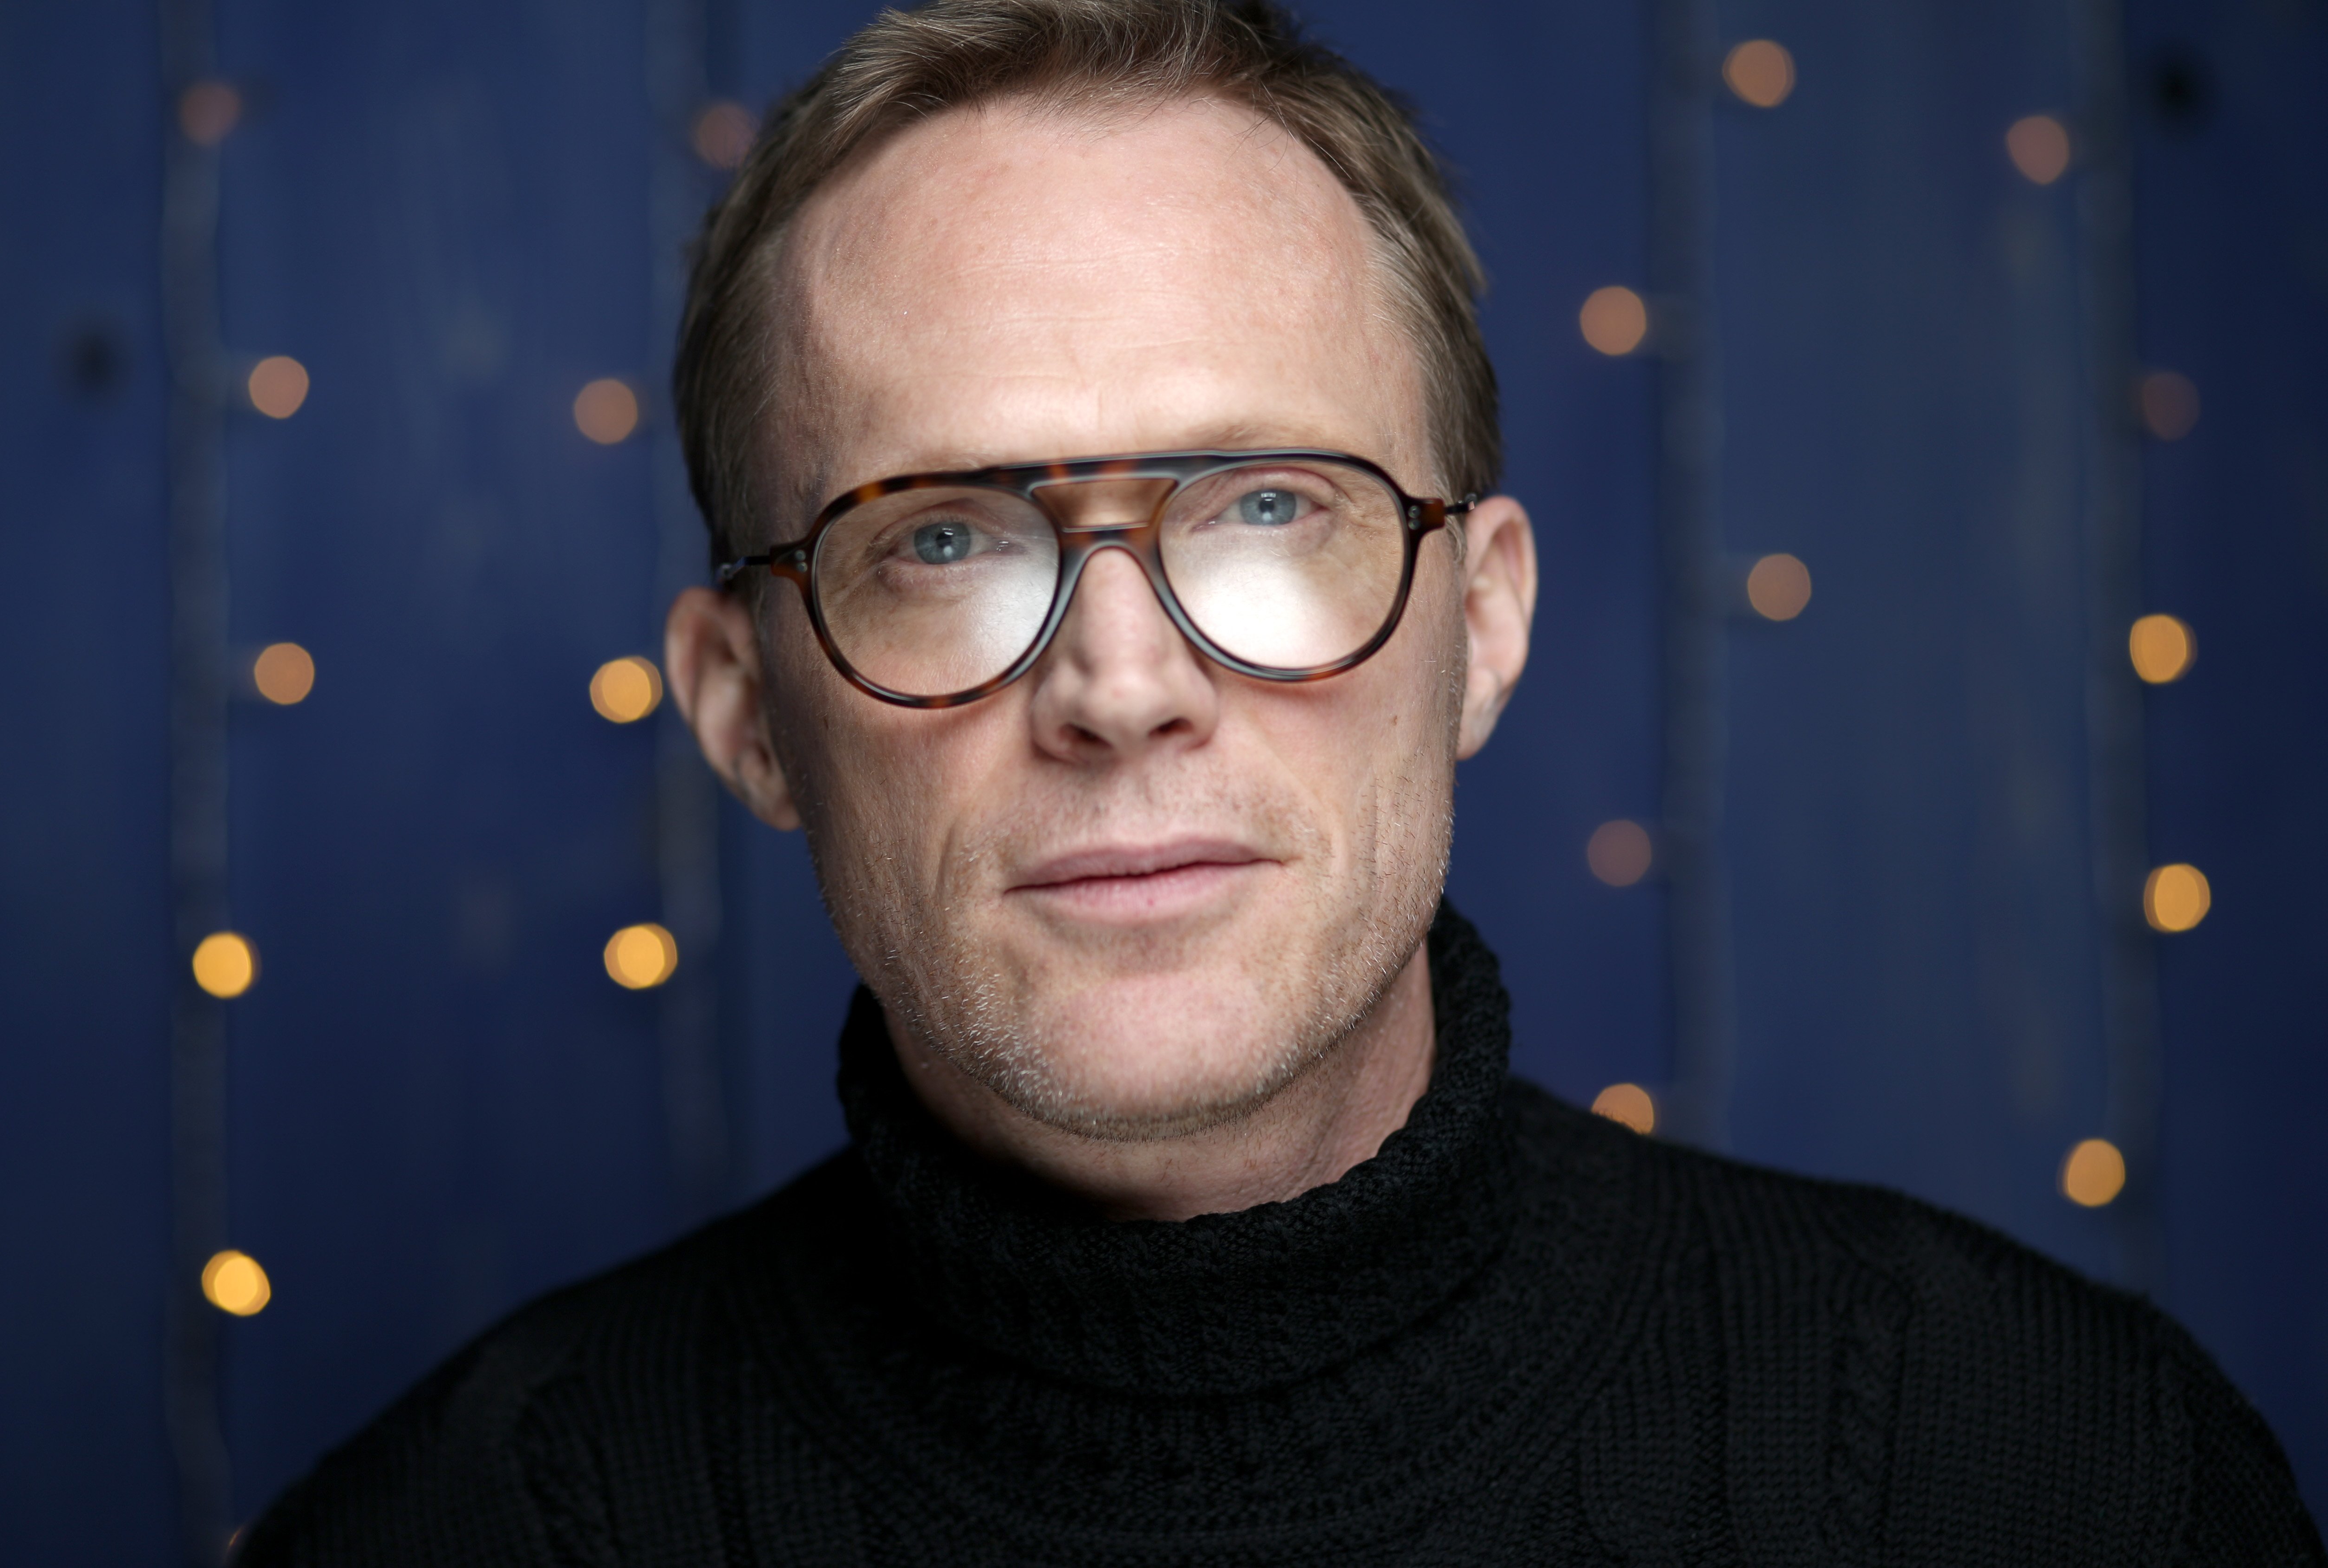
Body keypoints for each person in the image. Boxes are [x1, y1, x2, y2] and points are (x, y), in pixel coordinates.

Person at [240, 2, 2322, 1561]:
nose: (1122, 685)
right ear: (745, 709)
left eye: (1262, 504)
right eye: (944, 537)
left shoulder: (2034, 1471)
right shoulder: (464, 1530)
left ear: (1481, 621)